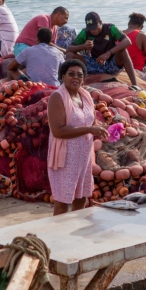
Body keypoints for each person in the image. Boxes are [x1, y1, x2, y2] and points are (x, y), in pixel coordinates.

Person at [47, 60, 109, 215]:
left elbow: (90, 121)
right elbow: (58, 131)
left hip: (83, 156)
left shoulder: (85, 95)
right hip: (66, 158)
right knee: (63, 202)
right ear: (63, 76)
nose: (76, 78)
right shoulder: (57, 97)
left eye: (80, 75)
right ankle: (58, 237)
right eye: (71, 74)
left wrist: (103, 130)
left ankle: (73, 232)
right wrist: (89, 129)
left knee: (81, 198)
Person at [65, 12, 138, 87]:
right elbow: (69, 49)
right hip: (95, 63)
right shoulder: (85, 32)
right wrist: (83, 46)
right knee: (70, 55)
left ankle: (135, 85)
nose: (93, 30)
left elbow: (127, 41)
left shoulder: (110, 28)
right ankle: (65, 83)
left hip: (112, 64)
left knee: (123, 51)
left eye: (95, 27)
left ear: (100, 22)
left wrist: (108, 53)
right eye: (90, 29)